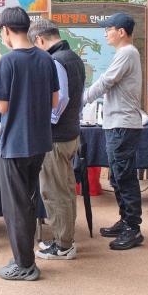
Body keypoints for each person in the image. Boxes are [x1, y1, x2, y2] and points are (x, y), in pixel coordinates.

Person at [0, 7, 60, 280]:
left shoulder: (7, 63)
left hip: (14, 143)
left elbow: (1, 106)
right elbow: (55, 101)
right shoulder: (46, 60)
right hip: (39, 141)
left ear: (6, 31)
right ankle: (24, 257)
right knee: (28, 200)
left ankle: (24, 265)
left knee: (15, 206)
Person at [83, 13, 145, 251]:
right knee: (116, 175)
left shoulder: (128, 52)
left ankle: (133, 228)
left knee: (124, 176)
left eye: (108, 29)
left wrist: (82, 99)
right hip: (117, 122)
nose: (105, 33)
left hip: (123, 124)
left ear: (121, 32)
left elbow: (106, 81)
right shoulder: (124, 53)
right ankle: (125, 220)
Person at [30, 18, 85, 261]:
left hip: (56, 137)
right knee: (66, 190)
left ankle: (63, 245)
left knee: (54, 192)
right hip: (70, 134)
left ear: (40, 40)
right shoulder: (73, 57)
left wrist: (47, 121)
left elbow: (59, 100)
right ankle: (65, 239)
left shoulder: (55, 61)